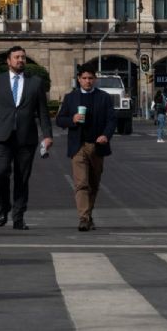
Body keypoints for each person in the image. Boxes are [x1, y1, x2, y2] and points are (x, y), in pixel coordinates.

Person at [0, 46, 53, 230]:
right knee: (1, 172)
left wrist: (47, 135)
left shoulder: (35, 82)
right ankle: (4, 207)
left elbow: (42, 112)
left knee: (22, 178)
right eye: (17, 57)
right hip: (1, 137)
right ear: (8, 61)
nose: (20, 60)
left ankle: (18, 217)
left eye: (23, 57)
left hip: (26, 139)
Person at [55, 64, 116, 231]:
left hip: (97, 146)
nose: (87, 81)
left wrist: (106, 135)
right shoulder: (71, 98)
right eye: (84, 78)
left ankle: (88, 215)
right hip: (78, 146)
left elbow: (111, 120)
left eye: (90, 78)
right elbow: (60, 120)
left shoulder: (104, 97)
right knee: (81, 183)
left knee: (93, 184)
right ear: (79, 80)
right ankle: (83, 218)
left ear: (94, 79)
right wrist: (72, 120)